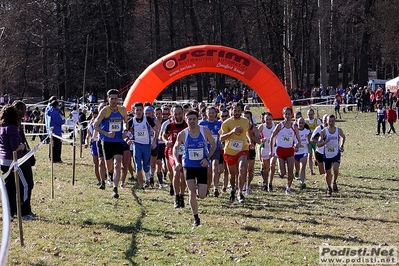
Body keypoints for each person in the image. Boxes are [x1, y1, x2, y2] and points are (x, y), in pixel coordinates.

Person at [173, 110, 216, 226]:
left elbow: (214, 145)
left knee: (201, 195)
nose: (191, 121)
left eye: (194, 119)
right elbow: (175, 148)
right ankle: (196, 218)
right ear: (186, 120)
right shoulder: (183, 134)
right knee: (192, 192)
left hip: (201, 165)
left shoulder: (204, 131)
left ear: (198, 120)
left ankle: (199, 188)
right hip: (188, 165)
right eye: (189, 119)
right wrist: (177, 162)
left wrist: (207, 158)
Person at [94, 89, 128, 198]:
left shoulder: (122, 110)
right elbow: (96, 126)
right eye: (112, 99)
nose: (114, 101)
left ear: (118, 99)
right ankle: (110, 173)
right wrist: (106, 133)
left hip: (118, 141)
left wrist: (125, 131)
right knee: (109, 165)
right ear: (108, 99)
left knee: (118, 164)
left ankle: (115, 188)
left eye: (116, 99)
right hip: (107, 141)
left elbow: (126, 123)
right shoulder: (105, 111)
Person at [220, 102, 250, 203]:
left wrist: (250, 140)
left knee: (242, 169)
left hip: (243, 149)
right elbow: (221, 138)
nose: (237, 112)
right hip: (230, 151)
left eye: (238, 110)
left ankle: (240, 192)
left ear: (241, 111)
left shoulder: (245, 121)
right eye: (235, 110)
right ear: (231, 110)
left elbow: (248, 132)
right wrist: (232, 131)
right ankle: (233, 188)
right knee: (232, 174)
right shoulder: (226, 123)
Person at [0, 105, 27, 219]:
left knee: (8, 187)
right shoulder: (12, 129)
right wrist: (22, 146)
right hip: (11, 161)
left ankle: (9, 211)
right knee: (13, 189)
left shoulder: (1, 127)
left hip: (2, 161)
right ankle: (10, 212)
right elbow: (14, 147)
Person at [269, 107, 301, 194]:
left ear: (291, 115)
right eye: (285, 114)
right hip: (280, 151)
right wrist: (271, 150)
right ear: (283, 115)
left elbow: (299, 140)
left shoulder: (294, 126)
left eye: (289, 114)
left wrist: (297, 146)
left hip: (290, 151)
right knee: (282, 173)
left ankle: (288, 188)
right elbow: (272, 137)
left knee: (291, 171)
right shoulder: (280, 125)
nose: (287, 115)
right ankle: (280, 172)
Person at [162, 105, 188, 208]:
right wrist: (166, 141)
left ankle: (182, 195)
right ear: (172, 114)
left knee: (183, 177)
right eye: (175, 114)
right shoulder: (170, 126)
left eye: (179, 114)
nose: (177, 116)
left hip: (185, 153)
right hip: (173, 152)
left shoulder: (187, 126)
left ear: (183, 113)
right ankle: (176, 197)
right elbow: (163, 135)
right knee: (176, 173)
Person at [130, 102, 158, 192]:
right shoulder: (132, 121)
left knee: (146, 166)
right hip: (137, 145)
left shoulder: (147, 119)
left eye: (140, 110)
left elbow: (156, 130)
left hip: (146, 145)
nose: (138, 112)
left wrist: (154, 141)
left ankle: (147, 180)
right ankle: (141, 187)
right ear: (134, 111)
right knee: (138, 166)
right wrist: (130, 138)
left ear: (142, 110)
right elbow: (125, 130)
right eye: (137, 110)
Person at [317, 114, 345, 196]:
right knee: (328, 173)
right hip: (327, 155)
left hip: (336, 153)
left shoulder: (338, 130)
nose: (331, 123)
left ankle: (334, 181)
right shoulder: (323, 132)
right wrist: (325, 142)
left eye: (333, 121)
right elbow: (318, 144)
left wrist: (341, 146)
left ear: (335, 121)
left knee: (336, 169)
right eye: (329, 121)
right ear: (326, 121)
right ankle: (329, 187)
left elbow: (343, 137)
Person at [199, 106, 222, 197]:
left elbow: (222, 135)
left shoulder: (219, 124)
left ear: (216, 113)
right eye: (209, 113)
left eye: (213, 112)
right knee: (208, 172)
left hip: (215, 149)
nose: (211, 114)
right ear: (206, 114)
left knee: (215, 167)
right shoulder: (202, 124)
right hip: (205, 151)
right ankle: (207, 189)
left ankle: (216, 188)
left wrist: (222, 142)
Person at [243, 110, 260, 195]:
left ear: (250, 119)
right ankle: (243, 184)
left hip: (251, 150)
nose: (246, 119)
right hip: (242, 150)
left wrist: (252, 136)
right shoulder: (239, 128)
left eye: (248, 118)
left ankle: (248, 186)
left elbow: (259, 141)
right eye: (244, 117)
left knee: (250, 170)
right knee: (242, 168)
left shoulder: (254, 128)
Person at [258, 112, 276, 191]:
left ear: (272, 119)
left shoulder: (275, 126)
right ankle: (265, 183)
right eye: (266, 120)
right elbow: (255, 136)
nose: (268, 121)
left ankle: (270, 183)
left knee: (272, 166)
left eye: (270, 119)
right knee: (266, 169)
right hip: (265, 148)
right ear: (264, 119)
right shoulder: (262, 127)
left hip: (273, 148)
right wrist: (261, 140)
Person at [85, 108, 102, 186]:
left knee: (102, 162)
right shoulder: (90, 125)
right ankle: (99, 180)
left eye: (96, 117)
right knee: (96, 163)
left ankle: (105, 177)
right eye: (94, 117)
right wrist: (86, 142)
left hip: (101, 142)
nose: (95, 119)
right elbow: (87, 136)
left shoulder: (102, 124)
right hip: (94, 144)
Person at [294, 117, 310, 189]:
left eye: (302, 123)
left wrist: (309, 143)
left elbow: (308, 140)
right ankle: (296, 172)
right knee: (297, 167)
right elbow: (292, 141)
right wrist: (295, 146)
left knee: (303, 167)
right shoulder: (294, 131)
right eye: (299, 123)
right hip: (296, 152)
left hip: (304, 151)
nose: (301, 124)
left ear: (304, 123)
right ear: (297, 123)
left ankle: (302, 183)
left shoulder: (307, 131)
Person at [305, 108, 321, 176]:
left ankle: (316, 160)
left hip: (316, 141)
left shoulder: (317, 121)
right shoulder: (305, 121)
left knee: (317, 155)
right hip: (308, 141)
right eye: (309, 114)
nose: (310, 116)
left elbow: (321, 129)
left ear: (314, 114)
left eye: (311, 114)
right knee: (309, 155)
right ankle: (311, 171)